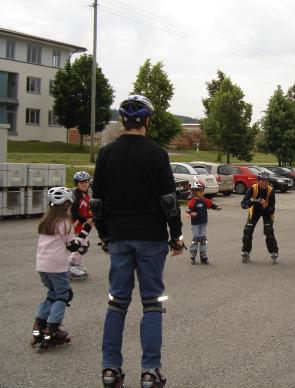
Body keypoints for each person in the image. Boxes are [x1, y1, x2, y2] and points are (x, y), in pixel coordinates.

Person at [92, 95, 183, 388]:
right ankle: (149, 371)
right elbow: (169, 201)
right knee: (152, 304)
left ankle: (111, 370)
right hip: (151, 238)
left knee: (117, 303)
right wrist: (176, 236)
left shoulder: (106, 154)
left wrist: (104, 234)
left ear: (124, 121)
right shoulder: (157, 154)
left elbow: (96, 202)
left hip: (118, 236)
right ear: (147, 121)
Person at [31, 187, 90, 352]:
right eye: (69, 204)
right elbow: (72, 246)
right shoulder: (65, 222)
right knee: (64, 295)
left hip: (42, 266)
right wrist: (85, 231)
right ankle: (52, 329)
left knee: (52, 294)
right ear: (65, 205)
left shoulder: (45, 221)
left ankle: (39, 324)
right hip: (56, 266)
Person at [240, 171, 279, 264]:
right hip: (254, 211)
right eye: (262, 180)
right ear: (259, 181)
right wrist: (255, 202)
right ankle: (246, 252)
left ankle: (274, 252)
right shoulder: (253, 188)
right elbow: (244, 202)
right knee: (248, 230)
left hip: (266, 212)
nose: (265, 182)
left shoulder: (270, 190)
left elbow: (272, 208)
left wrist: (266, 207)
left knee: (268, 230)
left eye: (267, 181)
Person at [185, 180, 222, 264]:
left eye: (203, 190)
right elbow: (187, 209)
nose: (203, 192)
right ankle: (193, 254)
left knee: (203, 239)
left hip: (203, 222)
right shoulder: (192, 201)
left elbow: (211, 204)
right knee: (196, 238)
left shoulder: (204, 200)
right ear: (194, 192)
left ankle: (203, 255)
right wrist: (191, 212)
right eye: (201, 191)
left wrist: (217, 207)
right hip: (195, 224)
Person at [69, 171, 93, 280]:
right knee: (81, 245)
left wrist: (92, 216)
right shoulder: (76, 196)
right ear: (76, 184)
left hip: (84, 225)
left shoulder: (86, 195)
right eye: (81, 182)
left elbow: (87, 210)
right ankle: (71, 265)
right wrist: (86, 220)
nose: (84, 184)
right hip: (76, 225)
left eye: (86, 182)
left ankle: (76, 264)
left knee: (84, 245)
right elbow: (74, 213)